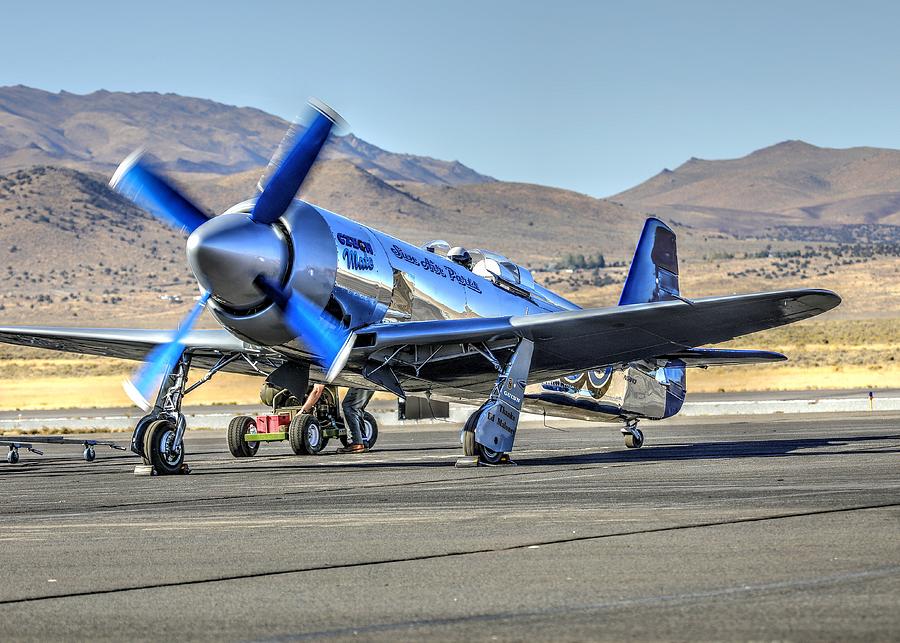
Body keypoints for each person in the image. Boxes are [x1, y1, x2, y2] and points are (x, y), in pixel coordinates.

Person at [338, 387, 374, 453]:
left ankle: (357, 443)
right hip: (370, 380)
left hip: (362, 380)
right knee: (357, 408)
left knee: (349, 405)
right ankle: (363, 441)